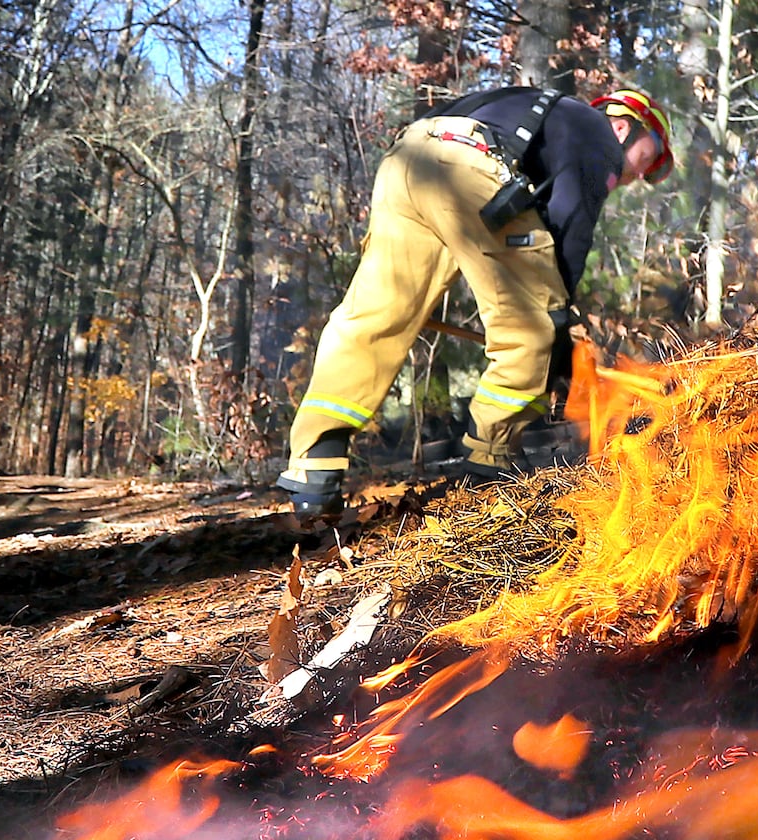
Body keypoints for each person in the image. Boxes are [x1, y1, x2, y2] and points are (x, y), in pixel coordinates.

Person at [276, 85, 675, 520]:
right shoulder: (598, 137)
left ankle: (315, 462)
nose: (642, 175)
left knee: (374, 317)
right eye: (649, 159)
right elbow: (568, 232)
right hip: (467, 165)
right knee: (533, 329)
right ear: (622, 128)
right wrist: (558, 330)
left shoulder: (546, 114)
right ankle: (490, 461)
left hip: (409, 160)